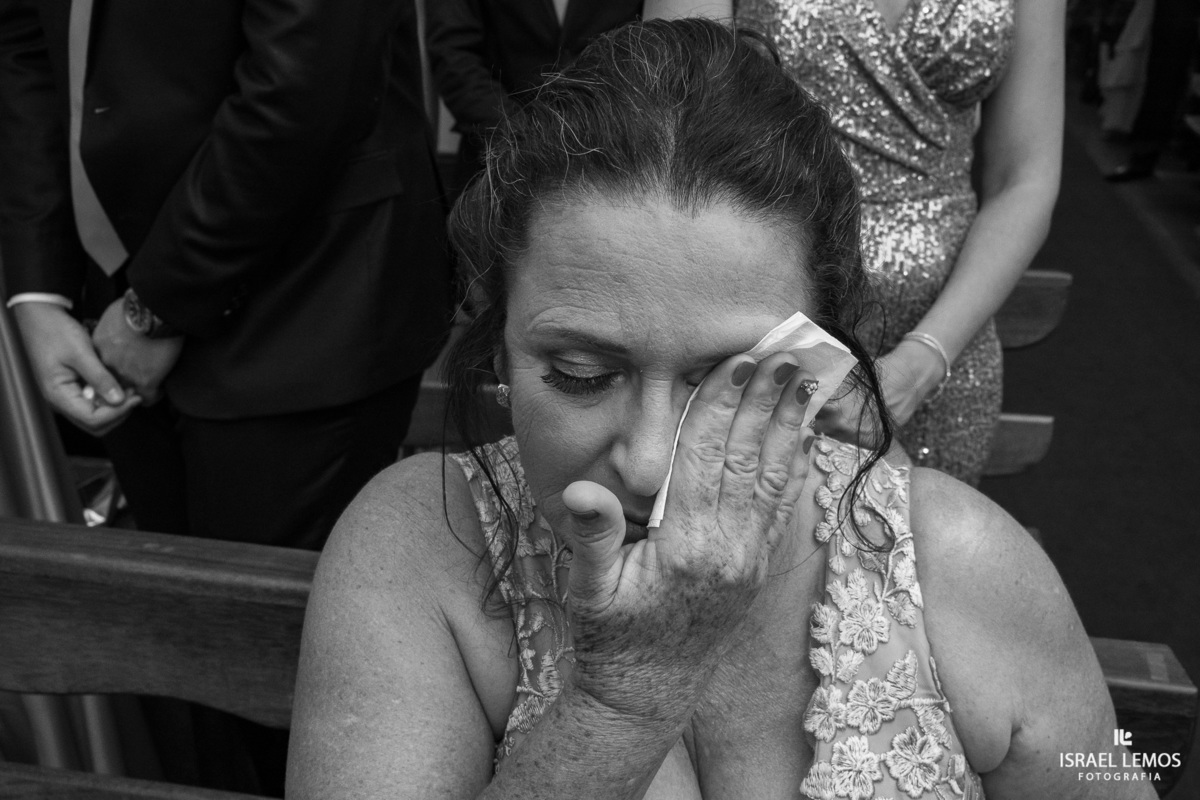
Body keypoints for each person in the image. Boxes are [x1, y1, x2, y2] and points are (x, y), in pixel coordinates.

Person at [288, 20, 1143, 800]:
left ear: (825, 357)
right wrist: (622, 701)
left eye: (733, 381)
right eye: (581, 374)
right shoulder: (420, 547)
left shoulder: (965, 564)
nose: (652, 463)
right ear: (500, 336)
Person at [0, 0, 453, 552]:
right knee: (167, 598)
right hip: (110, 306)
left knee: (278, 623)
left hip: (303, 298)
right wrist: (38, 292)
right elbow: (27, 44)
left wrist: (155, 309)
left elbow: (305, 86)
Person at [652, 0, 1064, 485]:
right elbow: (672, 134)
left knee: (924, 548)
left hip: (946, 340)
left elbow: (1025, 178)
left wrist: (924, 360)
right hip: (764, 327)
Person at [425, 0, 643, 193]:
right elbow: (452, 53)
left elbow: (652, 46)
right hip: (496, 162)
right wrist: (517, 135)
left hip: (614, 162)